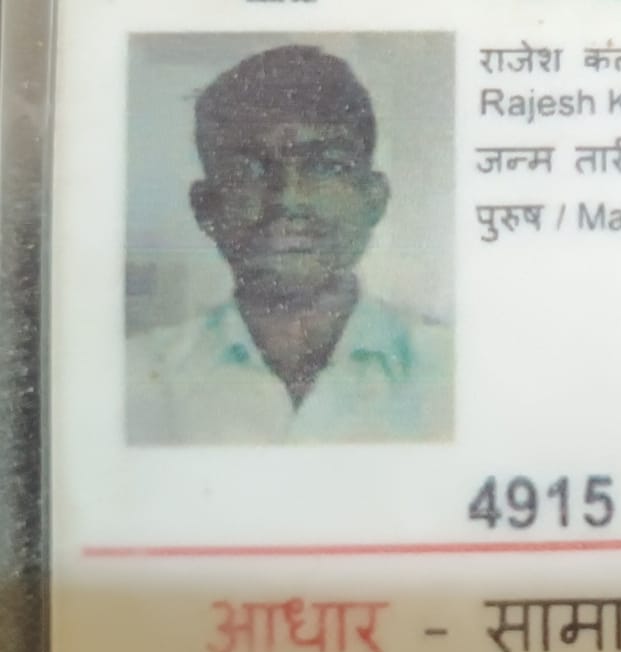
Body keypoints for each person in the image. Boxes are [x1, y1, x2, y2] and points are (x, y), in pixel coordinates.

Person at [127, 44, 451, 444]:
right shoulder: (136, 378)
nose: (288, 199)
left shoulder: (453, 371)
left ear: (374, 199)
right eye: (247, 171)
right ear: (206, 208)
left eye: (326, 166)